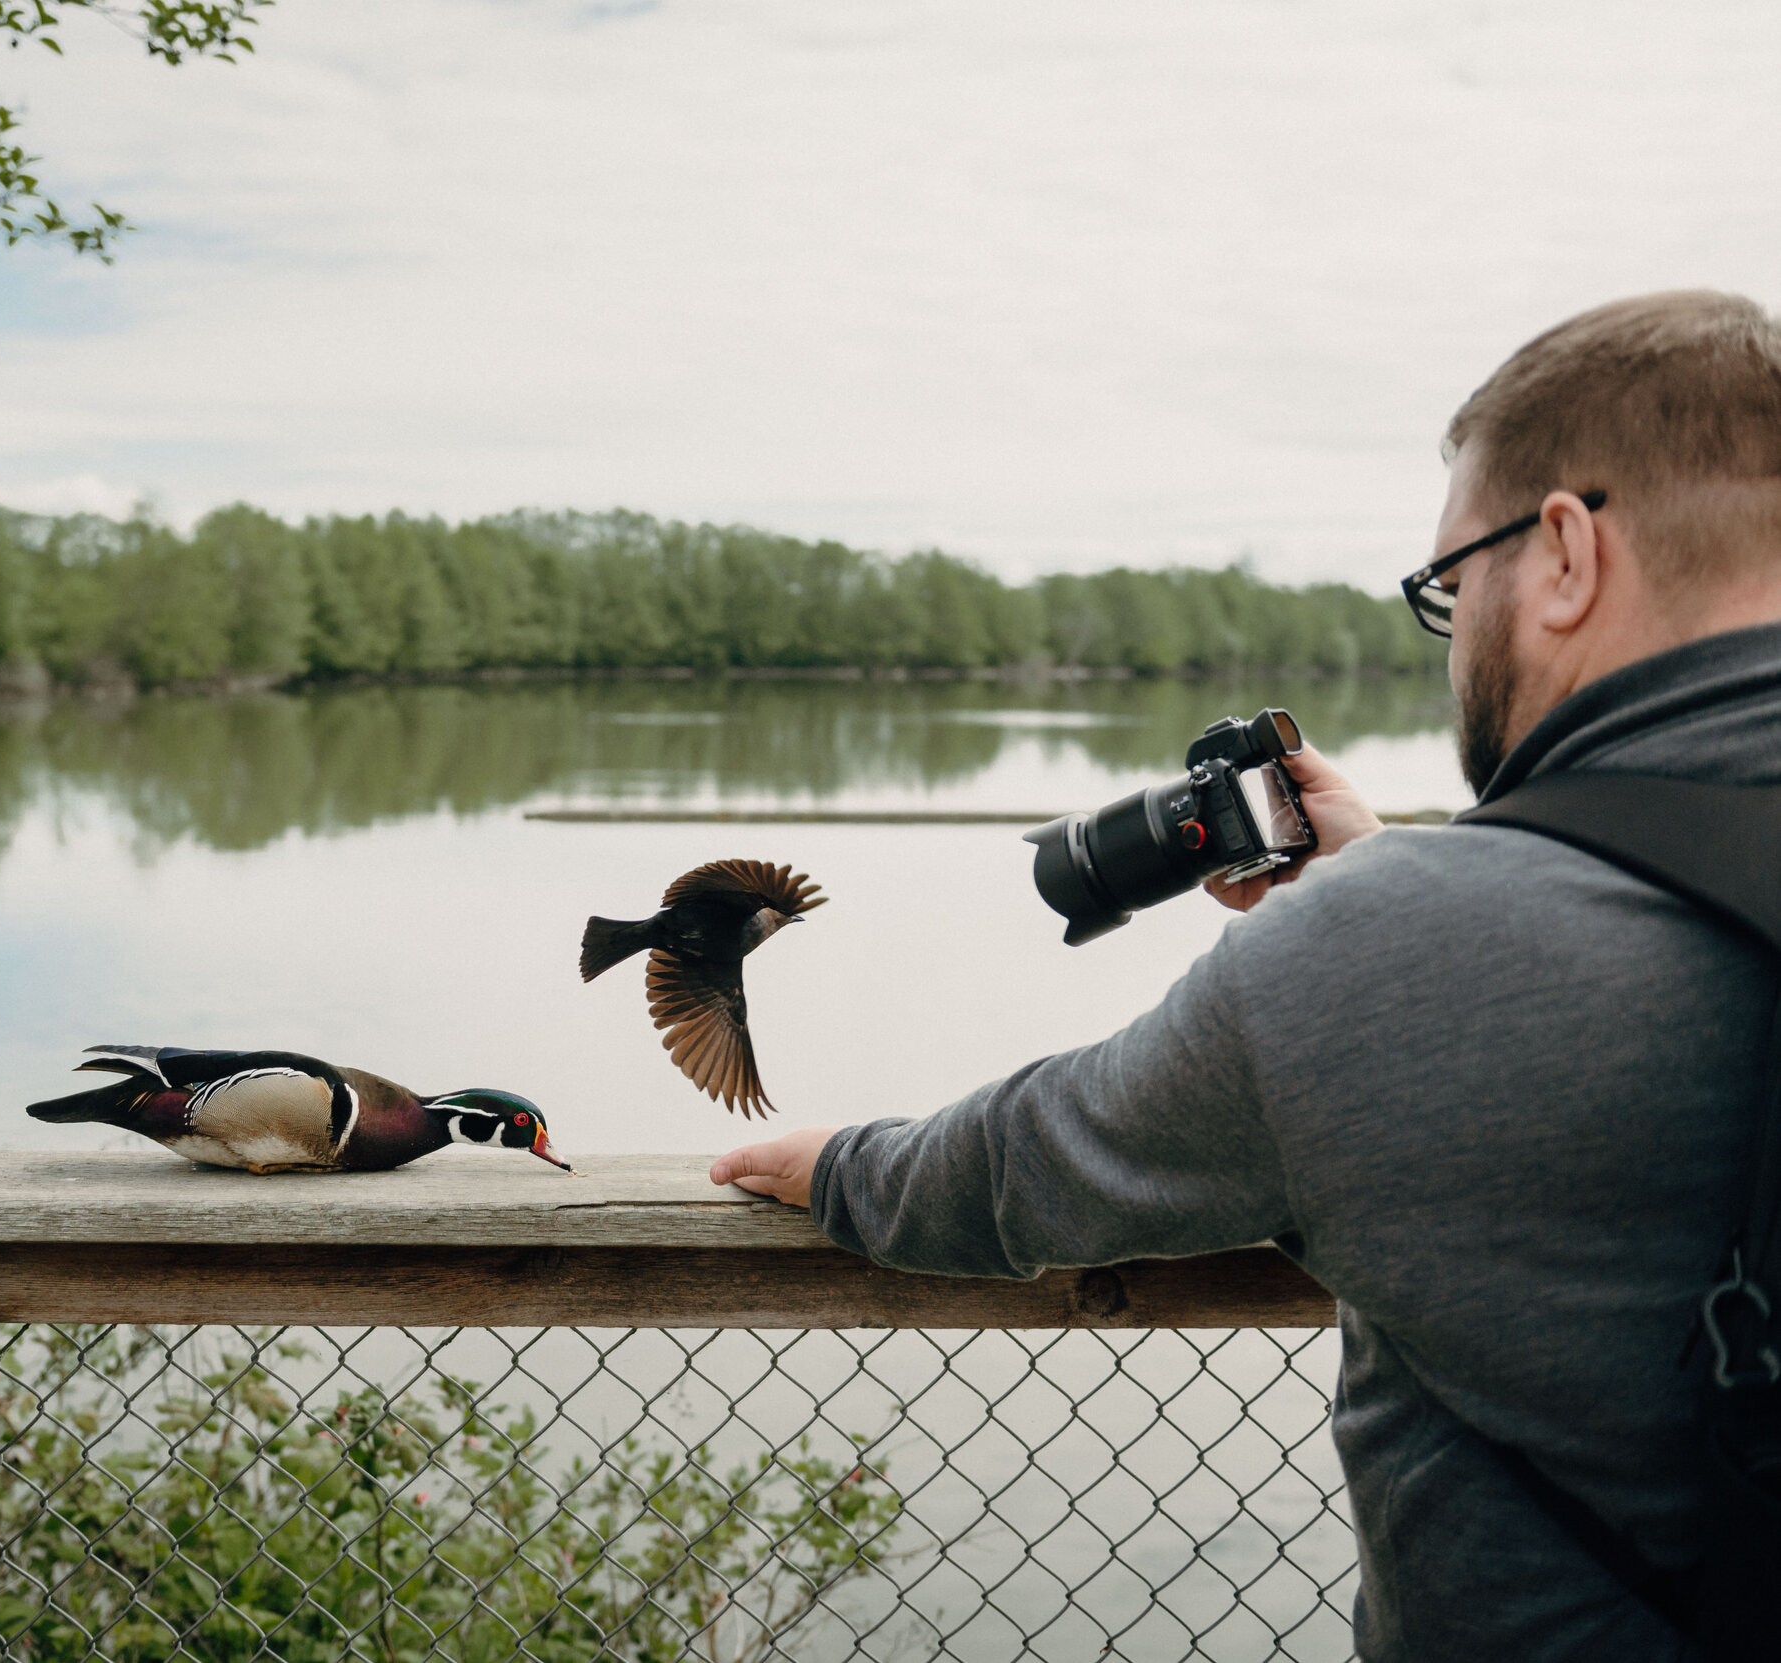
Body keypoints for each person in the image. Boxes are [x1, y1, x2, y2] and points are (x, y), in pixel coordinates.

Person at [710, 290, 1781, 1661]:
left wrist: (836, 1166)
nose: (1454, 635)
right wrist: (1397, 886)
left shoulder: (1386, 955)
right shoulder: (1407, 932)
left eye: (1452, 586)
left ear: (1564, 552)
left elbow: (1036, 1162)